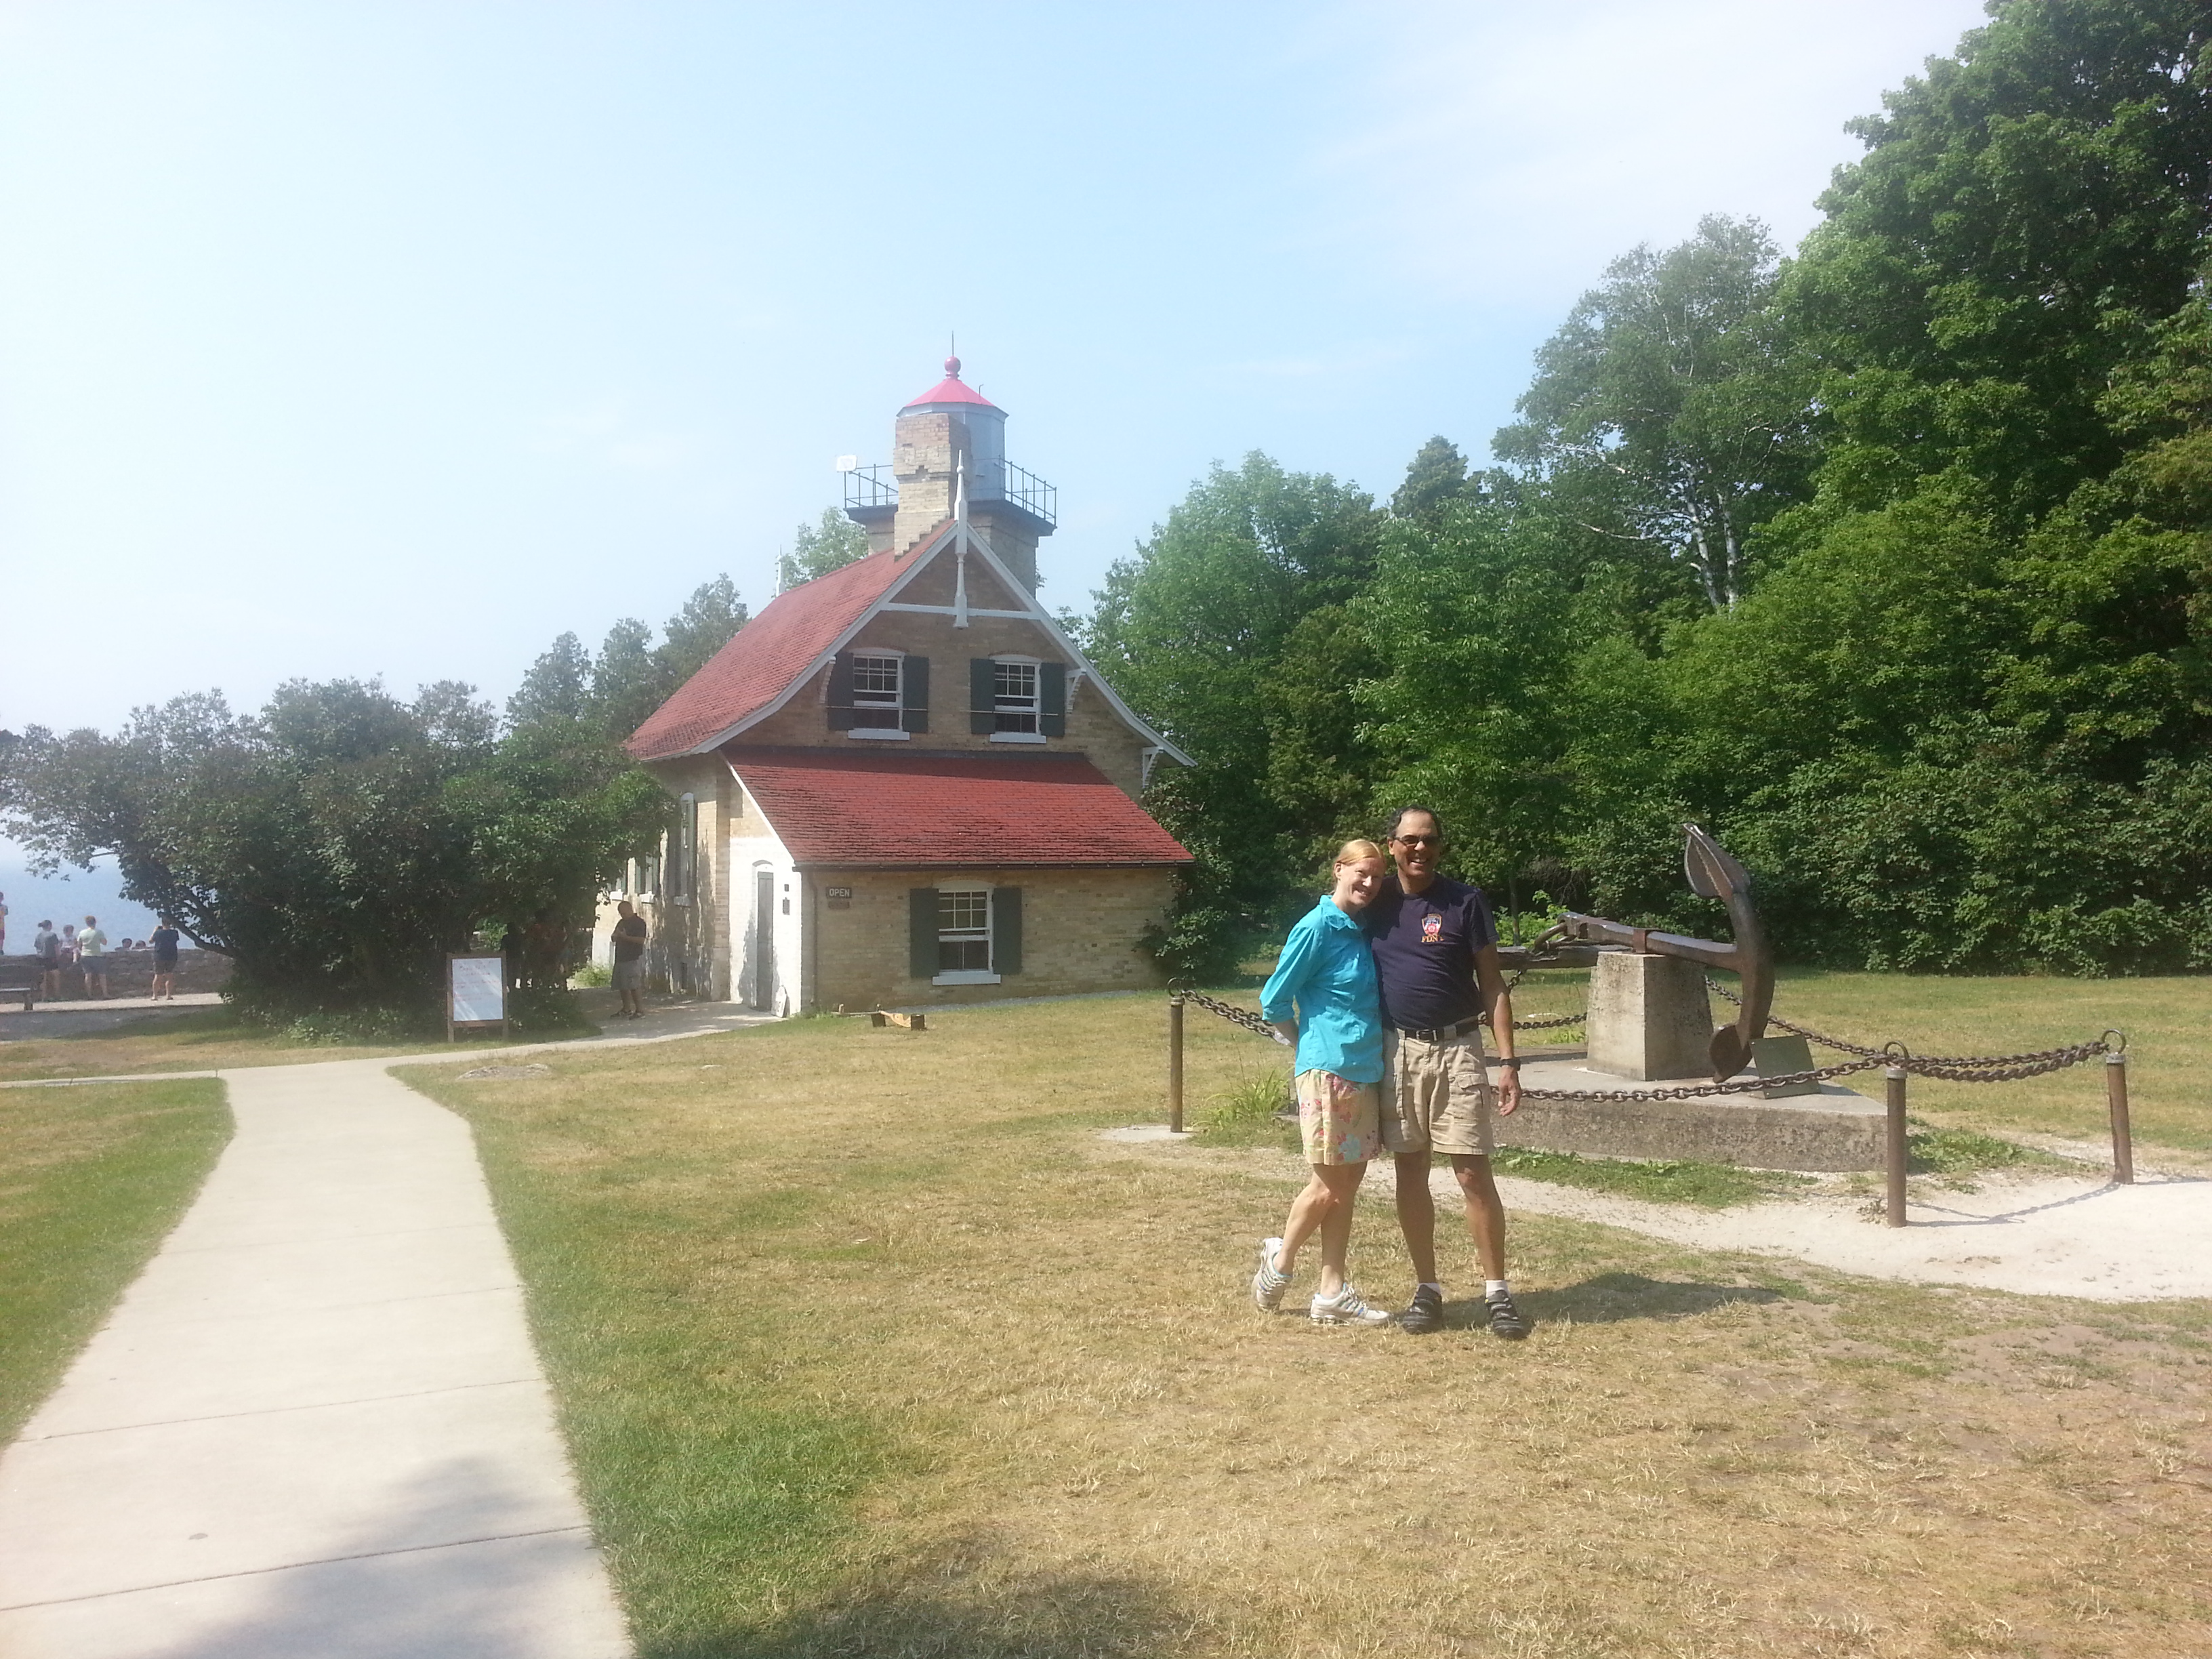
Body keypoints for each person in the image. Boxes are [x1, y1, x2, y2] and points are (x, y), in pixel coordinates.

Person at [1366, 806, 1531, 1340]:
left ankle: (1497, 1293)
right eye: (1410, 840)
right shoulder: (1375, 900)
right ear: (1392, 845)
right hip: (1399, 1053)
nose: (1421, 849)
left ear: (1440, 846)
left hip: (1458, 1049)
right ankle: (1427, 1290)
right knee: (1410, 1170)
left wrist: (1508, 1061)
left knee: (1472, 1174)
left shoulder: (1465, 901)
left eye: (1430, 840)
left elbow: (1493, 983)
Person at [1250, 838, 1395, 1327]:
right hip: (1327, 1072)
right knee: (1329, 1186)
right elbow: (1274, 999)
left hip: (1365, 1071)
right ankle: (1281, 1261)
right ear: (1338, 870)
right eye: (1361, 873)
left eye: (1377, 877)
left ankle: (1332, 1292)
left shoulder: (1362, 929)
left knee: (1346, 1185)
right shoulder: (1316, 927)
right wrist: (1303, 1045)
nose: (1369, 883)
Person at [611, 900, 649, 1019]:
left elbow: (641, 940)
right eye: (621, 914)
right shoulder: (621, 923)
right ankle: (626, 1009)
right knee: (623, 985)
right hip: (620, 957)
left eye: (624, 913)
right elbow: (614, 936)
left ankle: (640, 1010)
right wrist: (615, 936)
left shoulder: (639, 923)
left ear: (630, 910)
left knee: (634, 985)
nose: (623, 915)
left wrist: (625, 937)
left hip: (632, 957)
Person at [150, 915, 182, 1001]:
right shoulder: (174, 933)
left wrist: (155, 930)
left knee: (158, 976)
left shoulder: (158, 933)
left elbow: (151, 941)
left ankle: (155, 996)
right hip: (172, 956)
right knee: (169, 975)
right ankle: (168, 995)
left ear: (162, 923)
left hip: (159, 956)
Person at [77, 916, 110, 999]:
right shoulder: (99, 932)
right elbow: (104, 943)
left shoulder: (82, 933)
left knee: (88, 975)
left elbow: (79, 945)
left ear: (87, 923)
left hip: (85, 955)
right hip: (96, 955)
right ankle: (105, 994)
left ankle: (89, 995)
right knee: (102, 975)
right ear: (95, 922)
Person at [34, 921, 62, 1000]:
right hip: (51, 958)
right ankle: (57, 995)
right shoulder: (52, 935)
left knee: (44, 978)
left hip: (40, 959)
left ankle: (44, 997)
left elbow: (37, 947)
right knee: (56, 976)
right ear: (50, 926)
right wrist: (58, 956)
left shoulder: (38, 936)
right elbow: (56, 948)